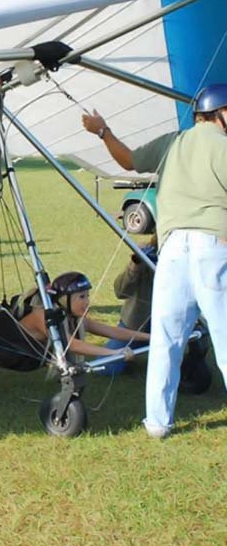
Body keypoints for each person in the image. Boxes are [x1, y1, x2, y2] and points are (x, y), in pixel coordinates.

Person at [82, 83, 227, 438]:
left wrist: (103, 131)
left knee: (165, 340)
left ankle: (158, 423)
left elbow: (128, 160)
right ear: (222, 114)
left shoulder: (172, 142)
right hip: (213, 247)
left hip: (171, 250)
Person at [0, 271, 149, 379]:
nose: (87, 301)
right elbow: (70, 345)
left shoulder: (68, 314)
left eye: (87, 295)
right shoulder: (46, 317)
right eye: (81, 297)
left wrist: (150, 337)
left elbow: (109, 330)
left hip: (0, 344)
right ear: (64, 299)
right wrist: (113, 352)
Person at [98, 235, 157, 375]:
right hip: (137, 326)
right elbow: (120, 292)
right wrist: (134, 266)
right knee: (106, 367)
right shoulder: (148, 254)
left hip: (175, 324)